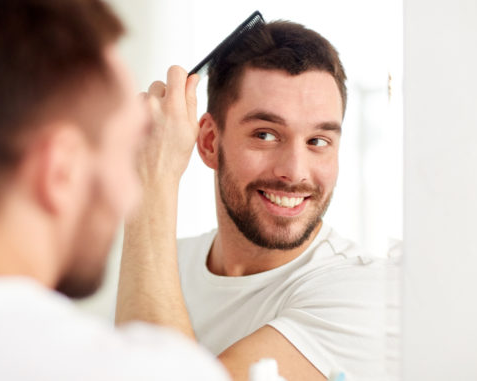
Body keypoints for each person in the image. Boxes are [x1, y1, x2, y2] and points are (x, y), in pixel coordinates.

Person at [0, 1, 229, 380]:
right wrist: (157, 181)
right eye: (128, 150)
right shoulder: (133, 370)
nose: (128, 194)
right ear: (60, 170)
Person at [116, 21, 388, 381]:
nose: (294, 172)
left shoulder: (365, 294)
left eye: (318, 141)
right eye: (266, 134)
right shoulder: (164, 264)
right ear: (210, 142)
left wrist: (150, 182)